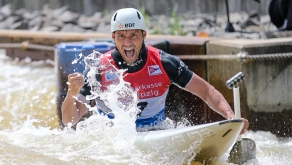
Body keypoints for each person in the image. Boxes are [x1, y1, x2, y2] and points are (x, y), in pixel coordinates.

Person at [61, 8, 249, 134]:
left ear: (144, 35)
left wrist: (232, 118)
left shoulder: (164, 62)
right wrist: (71, 95)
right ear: (113, 37)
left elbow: (206, 91)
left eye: (133, 35)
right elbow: (69, 121)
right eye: (121, 36)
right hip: (113, 137)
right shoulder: (98, 69)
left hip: (156, 131)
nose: (127, 43)